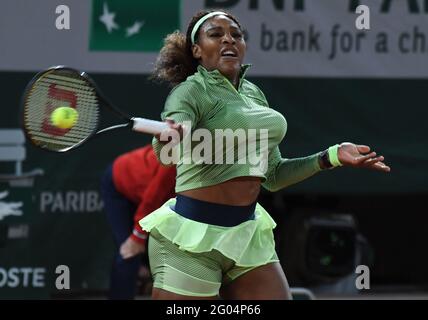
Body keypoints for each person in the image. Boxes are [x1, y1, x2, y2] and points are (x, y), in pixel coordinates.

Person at [140, 9, 391, 300]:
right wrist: (173, 134)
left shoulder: (254, 95)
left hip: (246, 235)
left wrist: (331, 156)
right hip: (191, 240)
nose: (229, 40)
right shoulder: (189, 93)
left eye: (236, 35)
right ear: (196, 50)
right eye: (216, 34)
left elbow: (272, 175)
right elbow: (168, 151)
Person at [100, 145, 176, 299]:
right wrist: (137, 238)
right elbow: (152, 199)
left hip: (154, 199)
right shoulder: (177, 158)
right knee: (130, 253)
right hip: (120, 186)